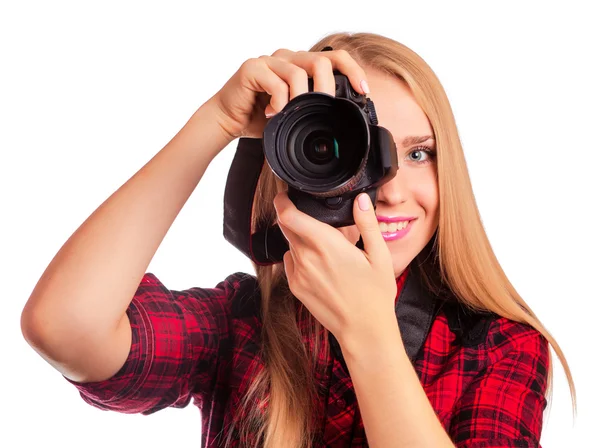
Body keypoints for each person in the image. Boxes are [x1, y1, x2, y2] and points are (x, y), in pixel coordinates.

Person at [20, 31, 576, 448]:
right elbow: (65, 327)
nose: (390, 191)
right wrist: (214, 123)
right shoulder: (242, 322)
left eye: (418, 153)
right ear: (292, 163)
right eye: (359, 153)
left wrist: (370, 334)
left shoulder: (497, 346)